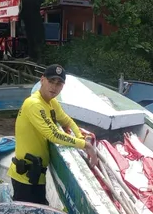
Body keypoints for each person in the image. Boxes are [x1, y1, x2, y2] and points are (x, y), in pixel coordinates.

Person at [8, 64, 98, 204]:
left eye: (59, 83)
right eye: (51, 81)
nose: (54, 87)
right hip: (25, 177)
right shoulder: (34, 104)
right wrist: (85, 145)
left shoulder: (51, 102)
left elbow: (67, 121)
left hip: (36, 175)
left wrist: (79, 136)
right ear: (42, 80)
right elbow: (54, 134)